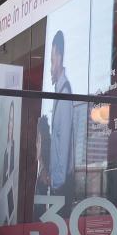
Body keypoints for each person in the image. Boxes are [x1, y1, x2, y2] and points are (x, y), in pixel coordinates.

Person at [49, 30, 75, 215]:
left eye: (52, 61)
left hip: (61, 187)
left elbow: (64, 144)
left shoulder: (64, 94)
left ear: (59, 57)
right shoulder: (59, 91)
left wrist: (55, 184)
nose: (51, 67)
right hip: (58, 185)